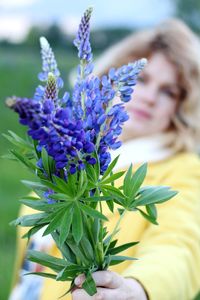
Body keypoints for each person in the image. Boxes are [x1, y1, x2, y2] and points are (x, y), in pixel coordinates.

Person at [10, 19, 200, 300]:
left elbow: (181, 248)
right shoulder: (73, 150)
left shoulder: (182, 168)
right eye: (142, 79)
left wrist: (138, 290)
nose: (148, 97)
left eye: (168, 91)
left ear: (182, 106)